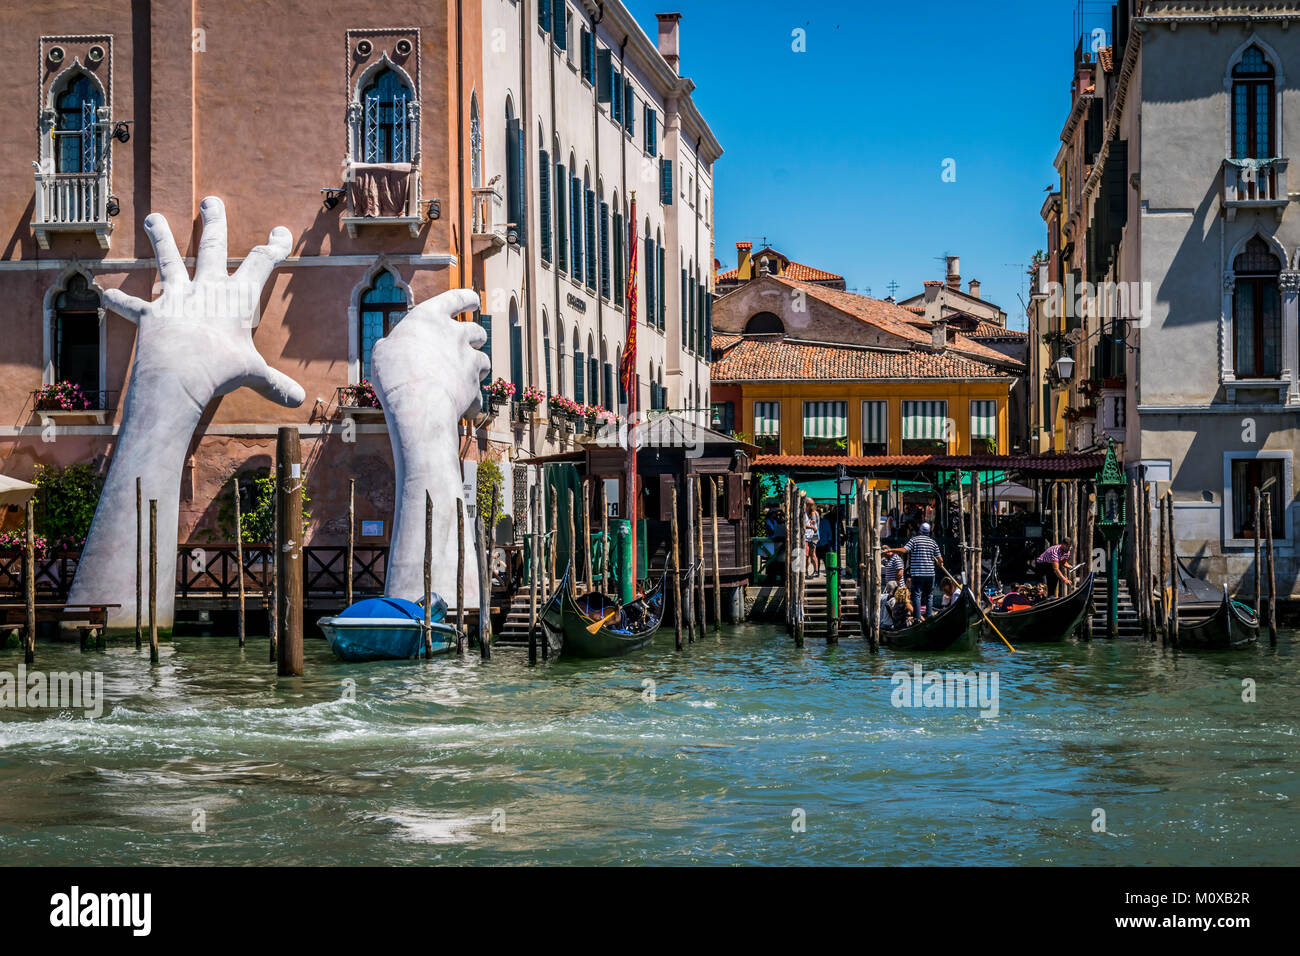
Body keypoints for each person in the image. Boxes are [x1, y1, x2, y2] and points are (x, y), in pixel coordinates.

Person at [887, 521, 944, 620]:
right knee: (929, 595)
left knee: (916, 595)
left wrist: (892, 550)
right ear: (929, 531)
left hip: (918, 573)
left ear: (920, 531)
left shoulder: (914, 540)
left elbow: (905, 550)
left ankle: (917, 617)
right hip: (930, 574)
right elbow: (940, 559)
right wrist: (940, 563)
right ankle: (929, 615)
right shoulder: (933, 542)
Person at [804, 499, 821, 578]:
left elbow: (814, 524)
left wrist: (811, 523)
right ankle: (807, 571)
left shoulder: (813, 513)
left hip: (813, 536)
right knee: (808, 554)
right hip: (809, 536)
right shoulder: (807, 513)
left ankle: (815, 571)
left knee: (812, 554)